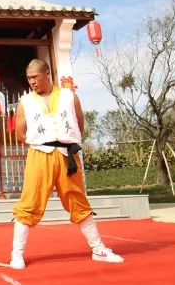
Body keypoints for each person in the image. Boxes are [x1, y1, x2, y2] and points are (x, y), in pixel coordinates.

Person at [10, 60, 123, 269]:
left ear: (47, 74)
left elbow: (80, 123)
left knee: (78, 200)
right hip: (39, 155)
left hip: (67, 155)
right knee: (30, 202)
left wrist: (66, 141)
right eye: (28, 78)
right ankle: (17, 254)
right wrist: (41, 142)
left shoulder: (69, 96)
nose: (32, 81)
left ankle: (98, 249)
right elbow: (20, 134)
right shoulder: (25, 102)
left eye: (35, 77)